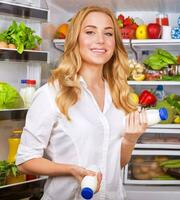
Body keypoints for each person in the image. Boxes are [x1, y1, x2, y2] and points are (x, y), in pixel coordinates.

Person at [16, 5, 147, 200]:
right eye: (90, 32)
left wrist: (130, 139)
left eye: (108, 33)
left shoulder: (119, 95)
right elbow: (25, 161)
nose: (100, 40)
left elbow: (113, 164)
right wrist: (71, 170)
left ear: (115, 43)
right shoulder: (51, 94)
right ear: (75, 39)